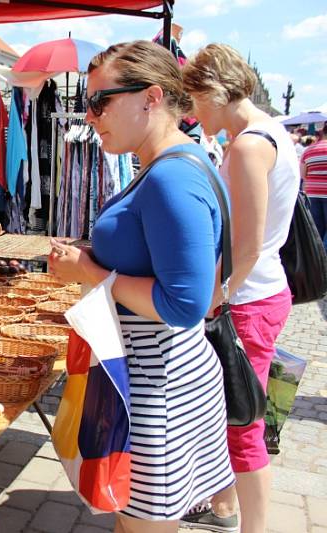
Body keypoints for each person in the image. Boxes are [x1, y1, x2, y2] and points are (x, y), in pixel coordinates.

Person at [48, 40, 233, 533]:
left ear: (151, 97)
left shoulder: (171, 178)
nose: (90, 117)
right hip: (159, 377)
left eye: (99, 101)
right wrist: (93, 256)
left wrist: (90, 273)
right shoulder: (168, 166)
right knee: (134, 522)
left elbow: (184, 304)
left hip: (158, 390)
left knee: (144, 526)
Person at [181, 43, 299, 533]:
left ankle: (252, 526)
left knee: (243, 426)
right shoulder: (268, 134)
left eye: (192, 99)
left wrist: (216, 297)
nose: (190, 112)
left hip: (247, 301)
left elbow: (246, 246)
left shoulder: (250, 144)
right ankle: (226, 507)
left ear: (213, 90)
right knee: (235, 417)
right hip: (256, 296)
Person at [301, 124, 327, 249]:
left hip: (312, 193)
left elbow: (303, 174)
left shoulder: (309, 150)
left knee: (316, 231)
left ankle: (318, 263)